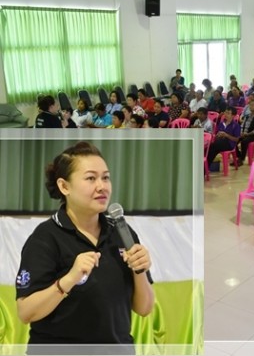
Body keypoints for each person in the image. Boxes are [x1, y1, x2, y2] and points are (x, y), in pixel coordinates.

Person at [15, 142, 154, 354]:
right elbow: (26, 312)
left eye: (105, 177)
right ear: (64, 186)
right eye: (91, 178)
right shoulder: (45, 238)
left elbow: (144, 309)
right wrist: (69, 279)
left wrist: (140, 270)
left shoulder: (122, 232)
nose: (102, 186)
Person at [237, 98, 254, 164]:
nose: (250, 107)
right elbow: (242, 125)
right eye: (250, 105)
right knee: (234, 139)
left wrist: (247, 134)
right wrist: (241, 132)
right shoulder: (247, 116)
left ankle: (242, 159)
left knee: (244, 141)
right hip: (245, 134)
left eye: (252, 105)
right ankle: (239, 155)